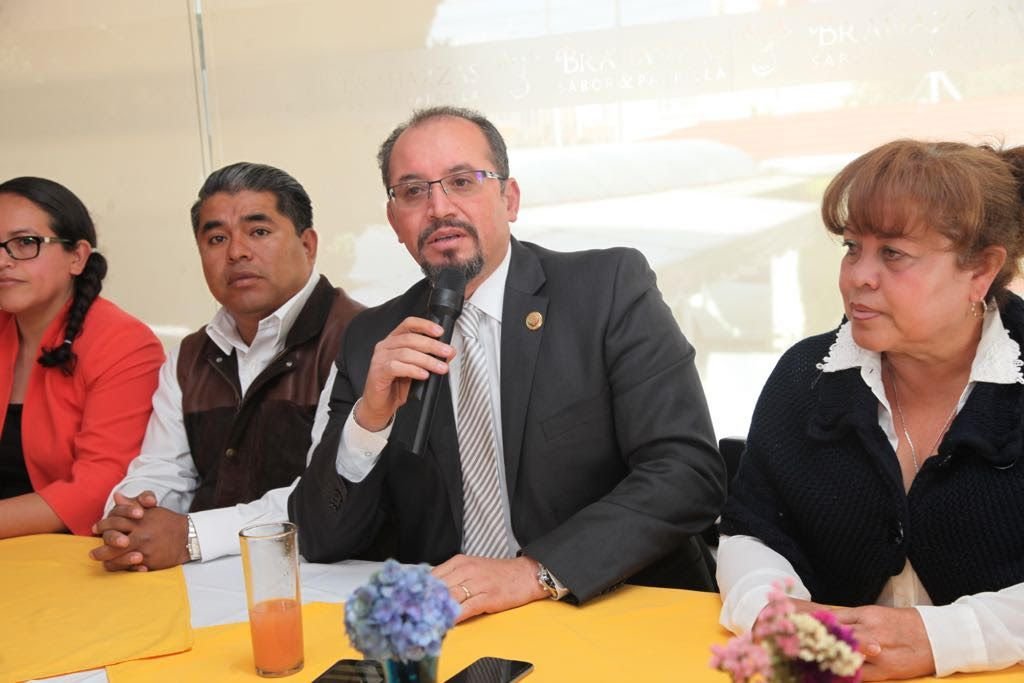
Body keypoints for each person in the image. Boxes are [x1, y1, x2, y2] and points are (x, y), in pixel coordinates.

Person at [290, 106, 725, 622]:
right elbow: (320, 539)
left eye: (462, 181)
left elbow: (687, 473)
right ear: (394, 222)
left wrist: (535, 573)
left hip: (616, 610)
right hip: (462, 627)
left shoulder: (607, 290)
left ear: (509, 199)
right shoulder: (372, 339)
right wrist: (369, 421)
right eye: (413, 191)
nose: (438, 208)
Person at [717, 140, 1024, 680]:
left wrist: (945, 638)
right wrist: (773, 611)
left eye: (893, 254)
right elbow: (750, 531)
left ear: (981, 271)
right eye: (852, 247)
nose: (858, 276)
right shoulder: (804, 375)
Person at [90, 162, 363, 571]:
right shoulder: (190, 356)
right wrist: (132, 516)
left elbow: (324, 493)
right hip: (204, 579)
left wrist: (191, 536)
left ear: (307, 245)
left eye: (259, 232)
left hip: (328, 577)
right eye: (217, 238)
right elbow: (164, 468)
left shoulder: (359, 339)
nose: (237, 252)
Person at [0, 176, 163, 538]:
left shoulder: (124, 343)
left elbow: (97, 488)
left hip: (73, 554)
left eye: (25, 243)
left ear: (77, 257)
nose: (2, 261)